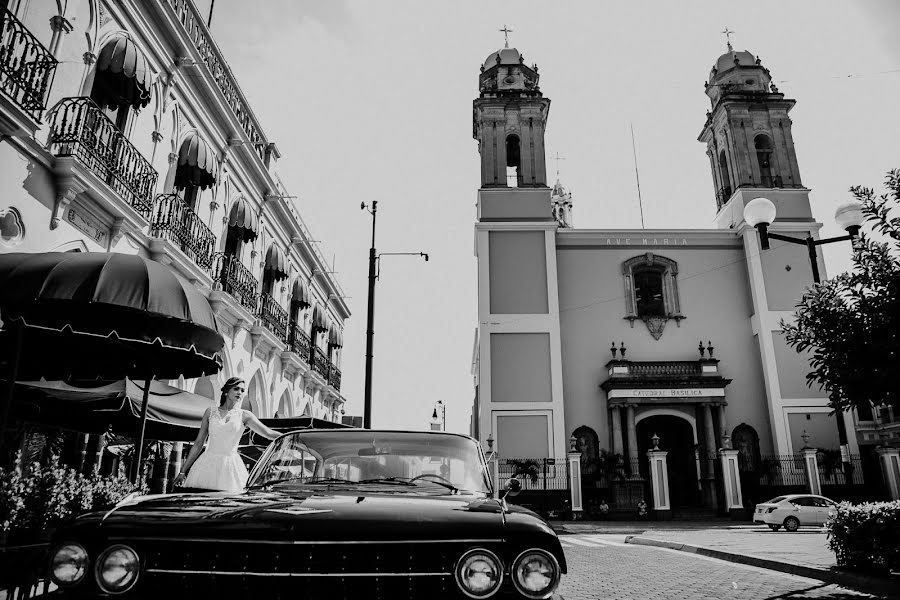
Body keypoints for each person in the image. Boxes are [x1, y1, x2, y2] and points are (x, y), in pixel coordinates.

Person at [173, 377, 280, 492]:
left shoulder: (245, 415)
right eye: (236, 389)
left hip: (231, 467)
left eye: (242, 390)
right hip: (206, 465)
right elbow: (199, 444)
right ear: (226, 391)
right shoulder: (210, 412)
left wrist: (295, 437)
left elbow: (269, 433)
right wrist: (182, 471)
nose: (240, 392)